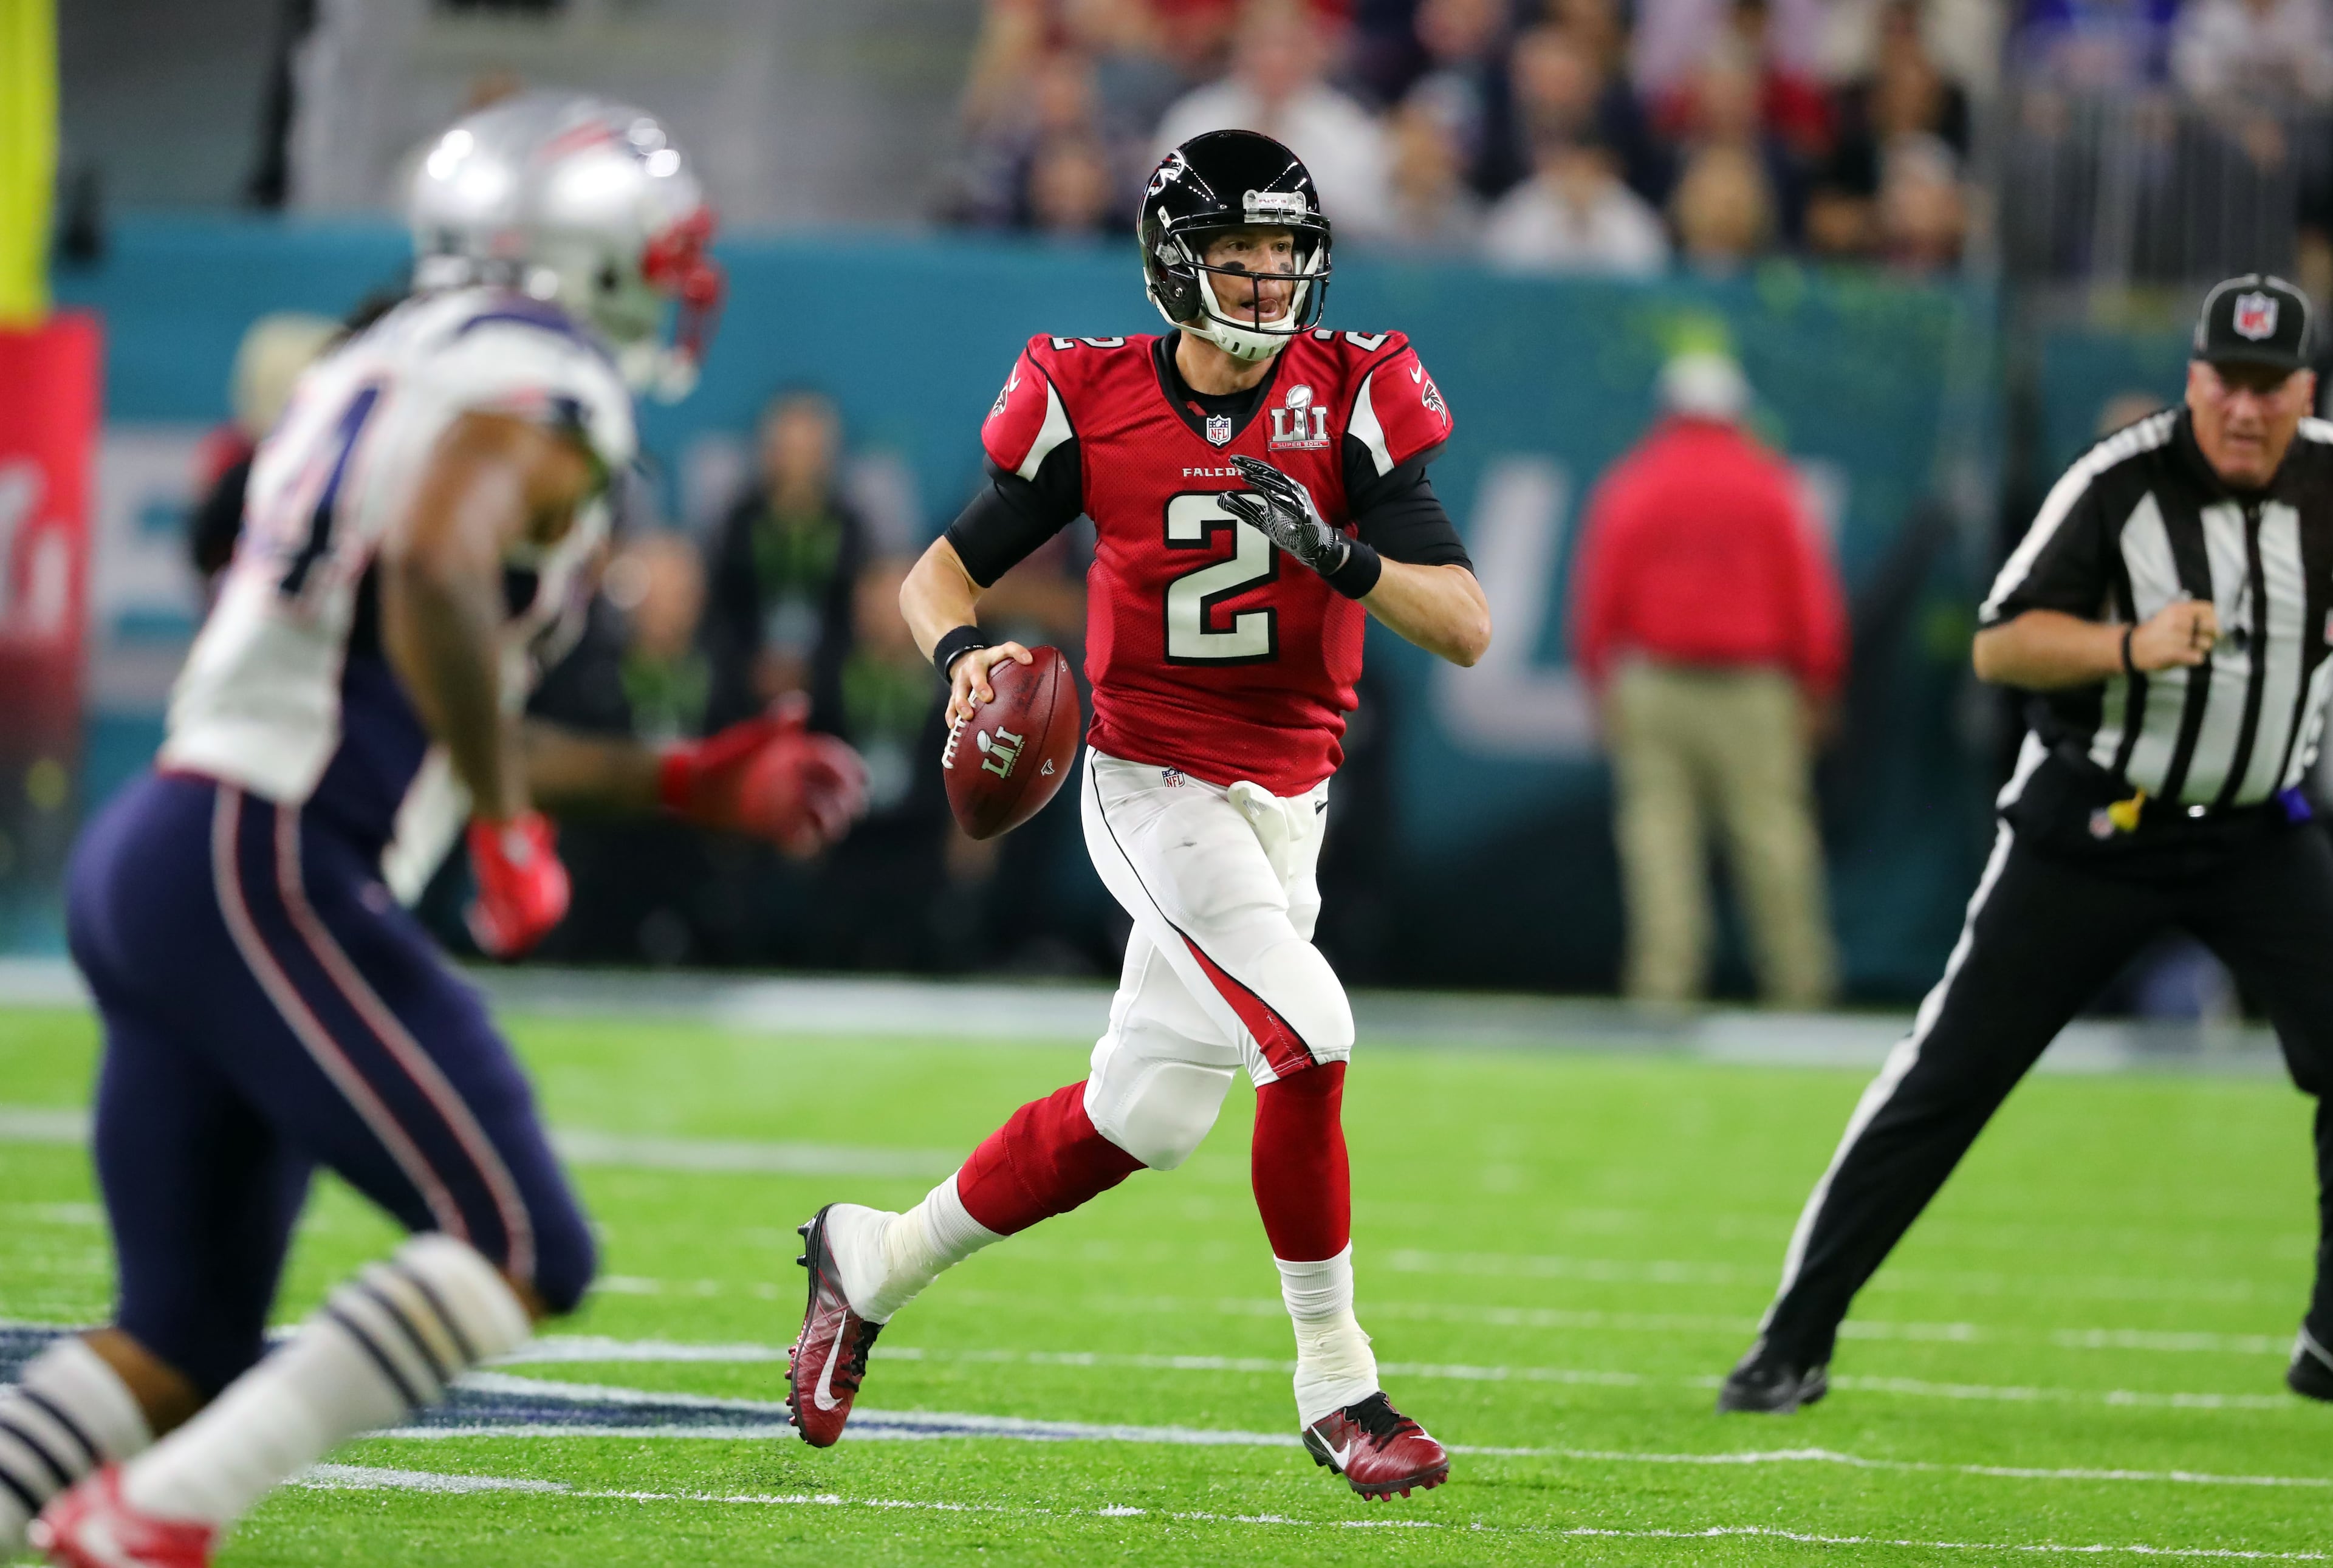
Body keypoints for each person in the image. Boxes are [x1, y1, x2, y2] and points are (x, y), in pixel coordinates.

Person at [7, 94, 867, 1566]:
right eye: (657, 251)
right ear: (581, 253)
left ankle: (121, 1501)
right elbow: (432, 565)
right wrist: (513, 830)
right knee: (528, 1241)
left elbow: (432, 659)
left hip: (177, 848)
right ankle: (153, 1521)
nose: (673, 282)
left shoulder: (390, 350)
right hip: (266, 854)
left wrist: (674, 784)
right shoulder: (543, 378)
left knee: (179, 1342)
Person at [783, 129, 1491, 1502]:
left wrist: (1340, 551)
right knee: (1308, 1032)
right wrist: (961, 657)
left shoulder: (1353, 391)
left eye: (1289, 249)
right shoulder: (1091, 395)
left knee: (1144, 1114)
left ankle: (869, 1257)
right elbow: (935, 575)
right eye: (1244, 249)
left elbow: (1462, 623)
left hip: (1291, 798)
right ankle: (1338, 1384)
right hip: (1149, 780)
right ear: (1177, 261)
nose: (1274, 275)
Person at [1721, 274, 2333, 1414]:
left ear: (2305, 389)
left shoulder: (2329, 481)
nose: (2248, 410)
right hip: (2098, 821)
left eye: (2273, 387)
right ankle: (1792, 1340)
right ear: (2197, 379)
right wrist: (2127, 647)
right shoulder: (2118, 483)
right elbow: (2001, 647)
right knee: (1948, 1076)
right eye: (2229, 384)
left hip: (2260, 828)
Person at [1570, 351, 1846, 1008]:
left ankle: (1664, 989)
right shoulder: (1768, 481)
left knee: (1659, 841)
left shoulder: (1636, 481)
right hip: (1754, 689)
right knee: (1773, 837)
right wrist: (1819, 682)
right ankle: (1800, 986)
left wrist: (1600, 680)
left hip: (1655, 684)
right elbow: (1809, 593)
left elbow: (1599, 593)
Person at [701, 389, 869, 735]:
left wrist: (818, 671)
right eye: (789, 450)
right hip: (743, 683)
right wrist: (749, 666)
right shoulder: (739, 523)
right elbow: (719, 609)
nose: (798, 465)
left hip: (829, 687)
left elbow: (856, 616)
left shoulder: (850, 528)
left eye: (808, 451)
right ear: (768, 453)